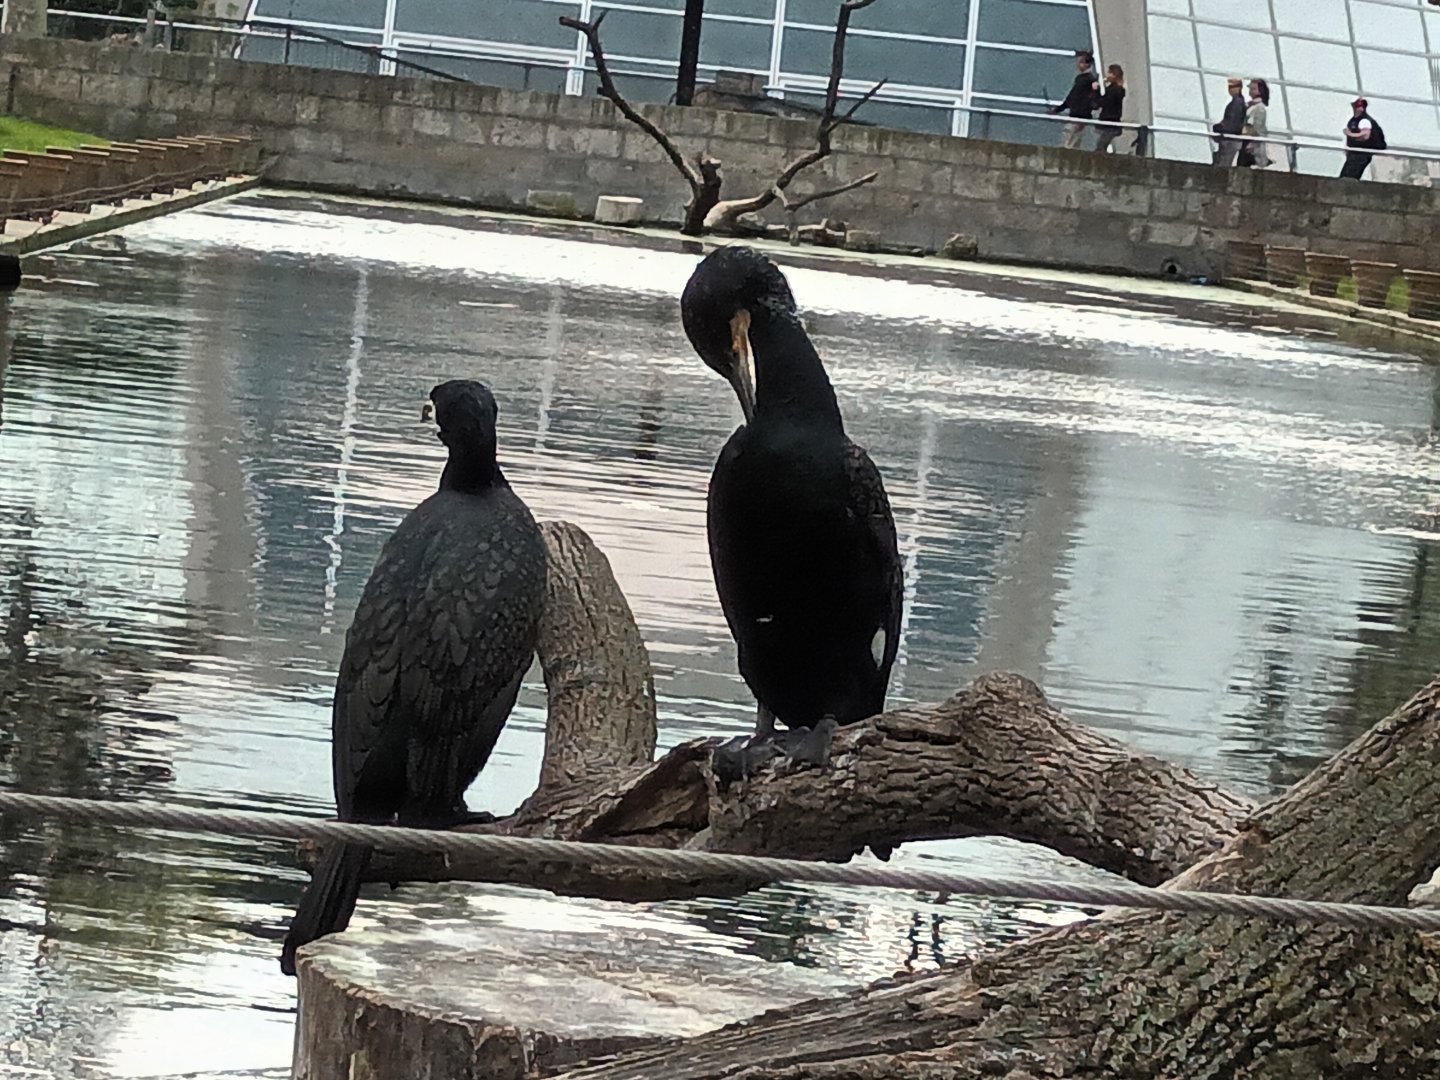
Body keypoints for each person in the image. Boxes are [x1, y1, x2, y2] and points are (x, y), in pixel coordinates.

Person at [1052, 50, 1099, 150]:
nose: (1078, 64)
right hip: (1082, 114)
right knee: (1075, 140)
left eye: (1081, 62)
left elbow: (1073, 96)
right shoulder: (1090, 79)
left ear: (1087, 64)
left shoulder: (1084, 79)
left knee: (1069, 137)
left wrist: (1058, 109)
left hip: (1078, 114)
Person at [1341, 97, 1385, 180]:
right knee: (1346, 175)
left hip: (1362, 153)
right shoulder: (1354, 120)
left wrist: (1350, 134)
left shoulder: (1364, 120)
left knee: (1351, 175)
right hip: (1355, 153)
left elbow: (1365, 135)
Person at [1211, 77, 1247, 166]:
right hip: (1231, 139)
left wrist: (1219, 128)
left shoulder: (1237, 103)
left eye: (1233, 87)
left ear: (1239, 88)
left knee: (1224, 164)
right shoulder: (1237, 102)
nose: (1230, 90)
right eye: (1229, 87)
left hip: (1230, 139)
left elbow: (1232, 123)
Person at [1093, 64, 1127, 153]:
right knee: (1103, 145)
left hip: (1109, 122)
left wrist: (1096, 90)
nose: (1107, 76)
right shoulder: (1117, 89)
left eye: (1109, 73)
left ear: (1114, 75)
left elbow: (1101, 102)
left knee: (1101, 146)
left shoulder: (1113, 90)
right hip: (1112, 122)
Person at [1238, 78, 1271, 169]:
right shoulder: (1251, 105)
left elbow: (1257, 127)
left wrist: (1253, 142)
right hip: (1246, 140)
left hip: (1251, 143)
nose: (1250, 91)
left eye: (1253, 89)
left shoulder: (1259, 108)